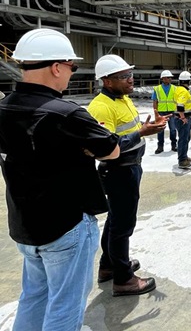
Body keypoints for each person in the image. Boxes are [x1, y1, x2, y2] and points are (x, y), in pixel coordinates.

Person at [0, 29, 120, 329]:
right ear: (56, 67)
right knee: (65, 307)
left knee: (33, 298)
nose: (70, 74)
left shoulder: (3, 108)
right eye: (72, 67)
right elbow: (112, 150)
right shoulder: (66, 113)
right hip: (64, 227)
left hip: (25, 226)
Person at [88, 55, 165, 297]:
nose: (131, 80)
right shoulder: (101, 106)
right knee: (123, 226)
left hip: (130, 167)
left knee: (115, 221)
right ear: (107, 81)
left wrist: (146, 129)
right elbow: (106, 146)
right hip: (118, 171)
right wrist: (141, 133)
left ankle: (109, 267)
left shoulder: (123, 99)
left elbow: (129, 131)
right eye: (124, 77)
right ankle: (123, 279)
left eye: (130, 75)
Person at [152, 70, 177, 153]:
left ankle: (174, 145)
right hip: (161, 112)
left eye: (170, 77)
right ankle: (160, 146)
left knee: (173, 130)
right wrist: (156, 113)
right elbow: (155, 101)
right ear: (163, 78)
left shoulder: (174, 88)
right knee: (160, 130)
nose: (170, 79)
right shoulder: (157, 89)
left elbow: (177, 100)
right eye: (168, 77)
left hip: (172, 112)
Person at [175, 71, 191, 170]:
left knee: (186, 138)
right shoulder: (183, 91)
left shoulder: (179, 89)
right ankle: (182, 160)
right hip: (182, 119)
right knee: (183, 139)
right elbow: (180, 105)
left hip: (182, 118)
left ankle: (184, 156)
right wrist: (183, 117)